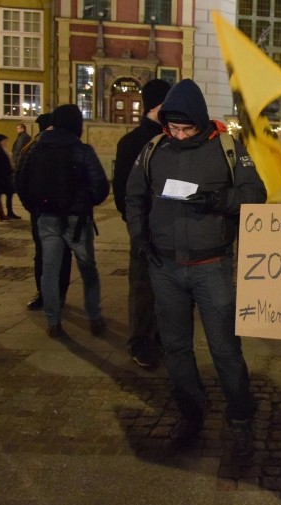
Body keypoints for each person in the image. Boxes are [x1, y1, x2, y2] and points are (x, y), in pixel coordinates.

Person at [124, 79, 267, 459]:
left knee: (224, 349)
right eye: (173, 128)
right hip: (165, 266)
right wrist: (138, 238)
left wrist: (219, 199)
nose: (179, 135)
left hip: (212, 266)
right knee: (175, 348)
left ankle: (240, 419)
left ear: (201, 123)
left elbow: (256, 194)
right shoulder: (154, 148)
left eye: (186, 128)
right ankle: (191, 412)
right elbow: (133, 196)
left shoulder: (227, 148)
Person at [15, 104, 109, 338]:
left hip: (46, 218)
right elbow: (100, 187)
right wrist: (85, 202)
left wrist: (35, 209)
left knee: (50, 269)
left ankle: (53, 320)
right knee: (88, 269)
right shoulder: (82, 150)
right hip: (77, 221)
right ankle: (94, 316)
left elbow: (20, 182)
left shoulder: (35, 148)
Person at [112, 78, 171, 370]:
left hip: (171, 230)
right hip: (145, 229)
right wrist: (137, 225)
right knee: (143, 287)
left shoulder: (174, 138)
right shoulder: (134, 142)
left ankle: (159, 337)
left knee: (166, 288)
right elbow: (123, 193)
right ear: (156, 107)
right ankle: (141, 343)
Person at [22, 113, 72, 311]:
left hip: (59, 211)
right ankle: (46, 293)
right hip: (43, 211)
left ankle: (56, 294)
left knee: (57, 253)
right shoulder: (32, 150)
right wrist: (32, 205)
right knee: (45, 253)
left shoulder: (68, 148)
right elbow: (21, 180)